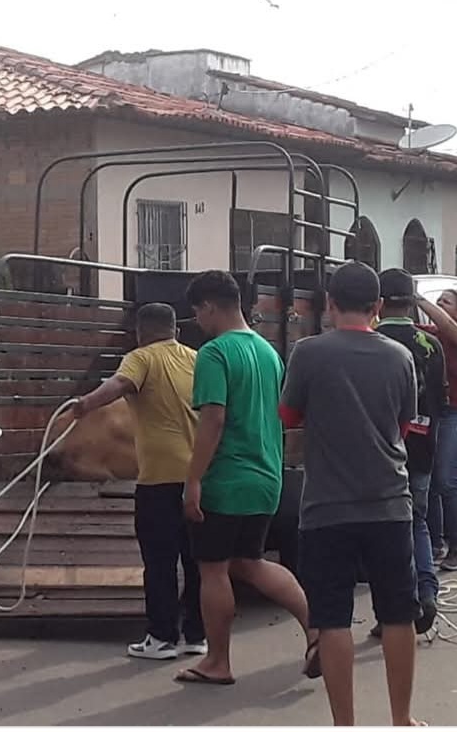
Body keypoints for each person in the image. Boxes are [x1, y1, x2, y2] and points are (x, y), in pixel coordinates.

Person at [280, 262, 422, 727]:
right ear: (378, 308)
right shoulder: (400, 357)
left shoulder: (308, 353)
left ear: (330, 305)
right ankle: (401, 720)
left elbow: (287, 415)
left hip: (326, 508)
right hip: (389, 504)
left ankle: (345, 724)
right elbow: (402, 427)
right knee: (398, 614)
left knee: (334, 617)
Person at [177, 270, 319, 687]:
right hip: (265, 476)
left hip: (226, 478)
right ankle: (318, 628)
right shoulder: (268, 353)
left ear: (209, 306)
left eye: (197, 313)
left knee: (214, 569)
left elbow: (213, 419)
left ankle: (217, 661)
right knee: (249, 562)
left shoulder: (214, 353)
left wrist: (194, 480)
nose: (198, 322)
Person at [74, 302, 206, 661]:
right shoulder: (196, 359)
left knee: (159, 561)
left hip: (159, 480)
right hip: (197, 476)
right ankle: (196, 635)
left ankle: (162, 637)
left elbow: (118, 385)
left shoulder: (140, 358)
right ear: (176, 330)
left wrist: (85, 404)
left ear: (139, 332)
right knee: (195, 561)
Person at [372, 268, 447, 637]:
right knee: (417, 522)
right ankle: (427, 591)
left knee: (381, 534)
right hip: (423, 447)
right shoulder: (431, 344)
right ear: (412, 300)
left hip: (381, 452)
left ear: (379, 303)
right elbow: (442, 403)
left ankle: (389, 612)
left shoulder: (371, 343)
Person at [415, 288, 457, 572]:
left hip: (455, 413)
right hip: (434, 412)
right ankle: (435, 545)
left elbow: (452, 331)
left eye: (445, 302)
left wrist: (420, 300)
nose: (438, 305)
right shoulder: (430, 334)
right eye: (437, 301)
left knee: (447, 480)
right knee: (430, 481)